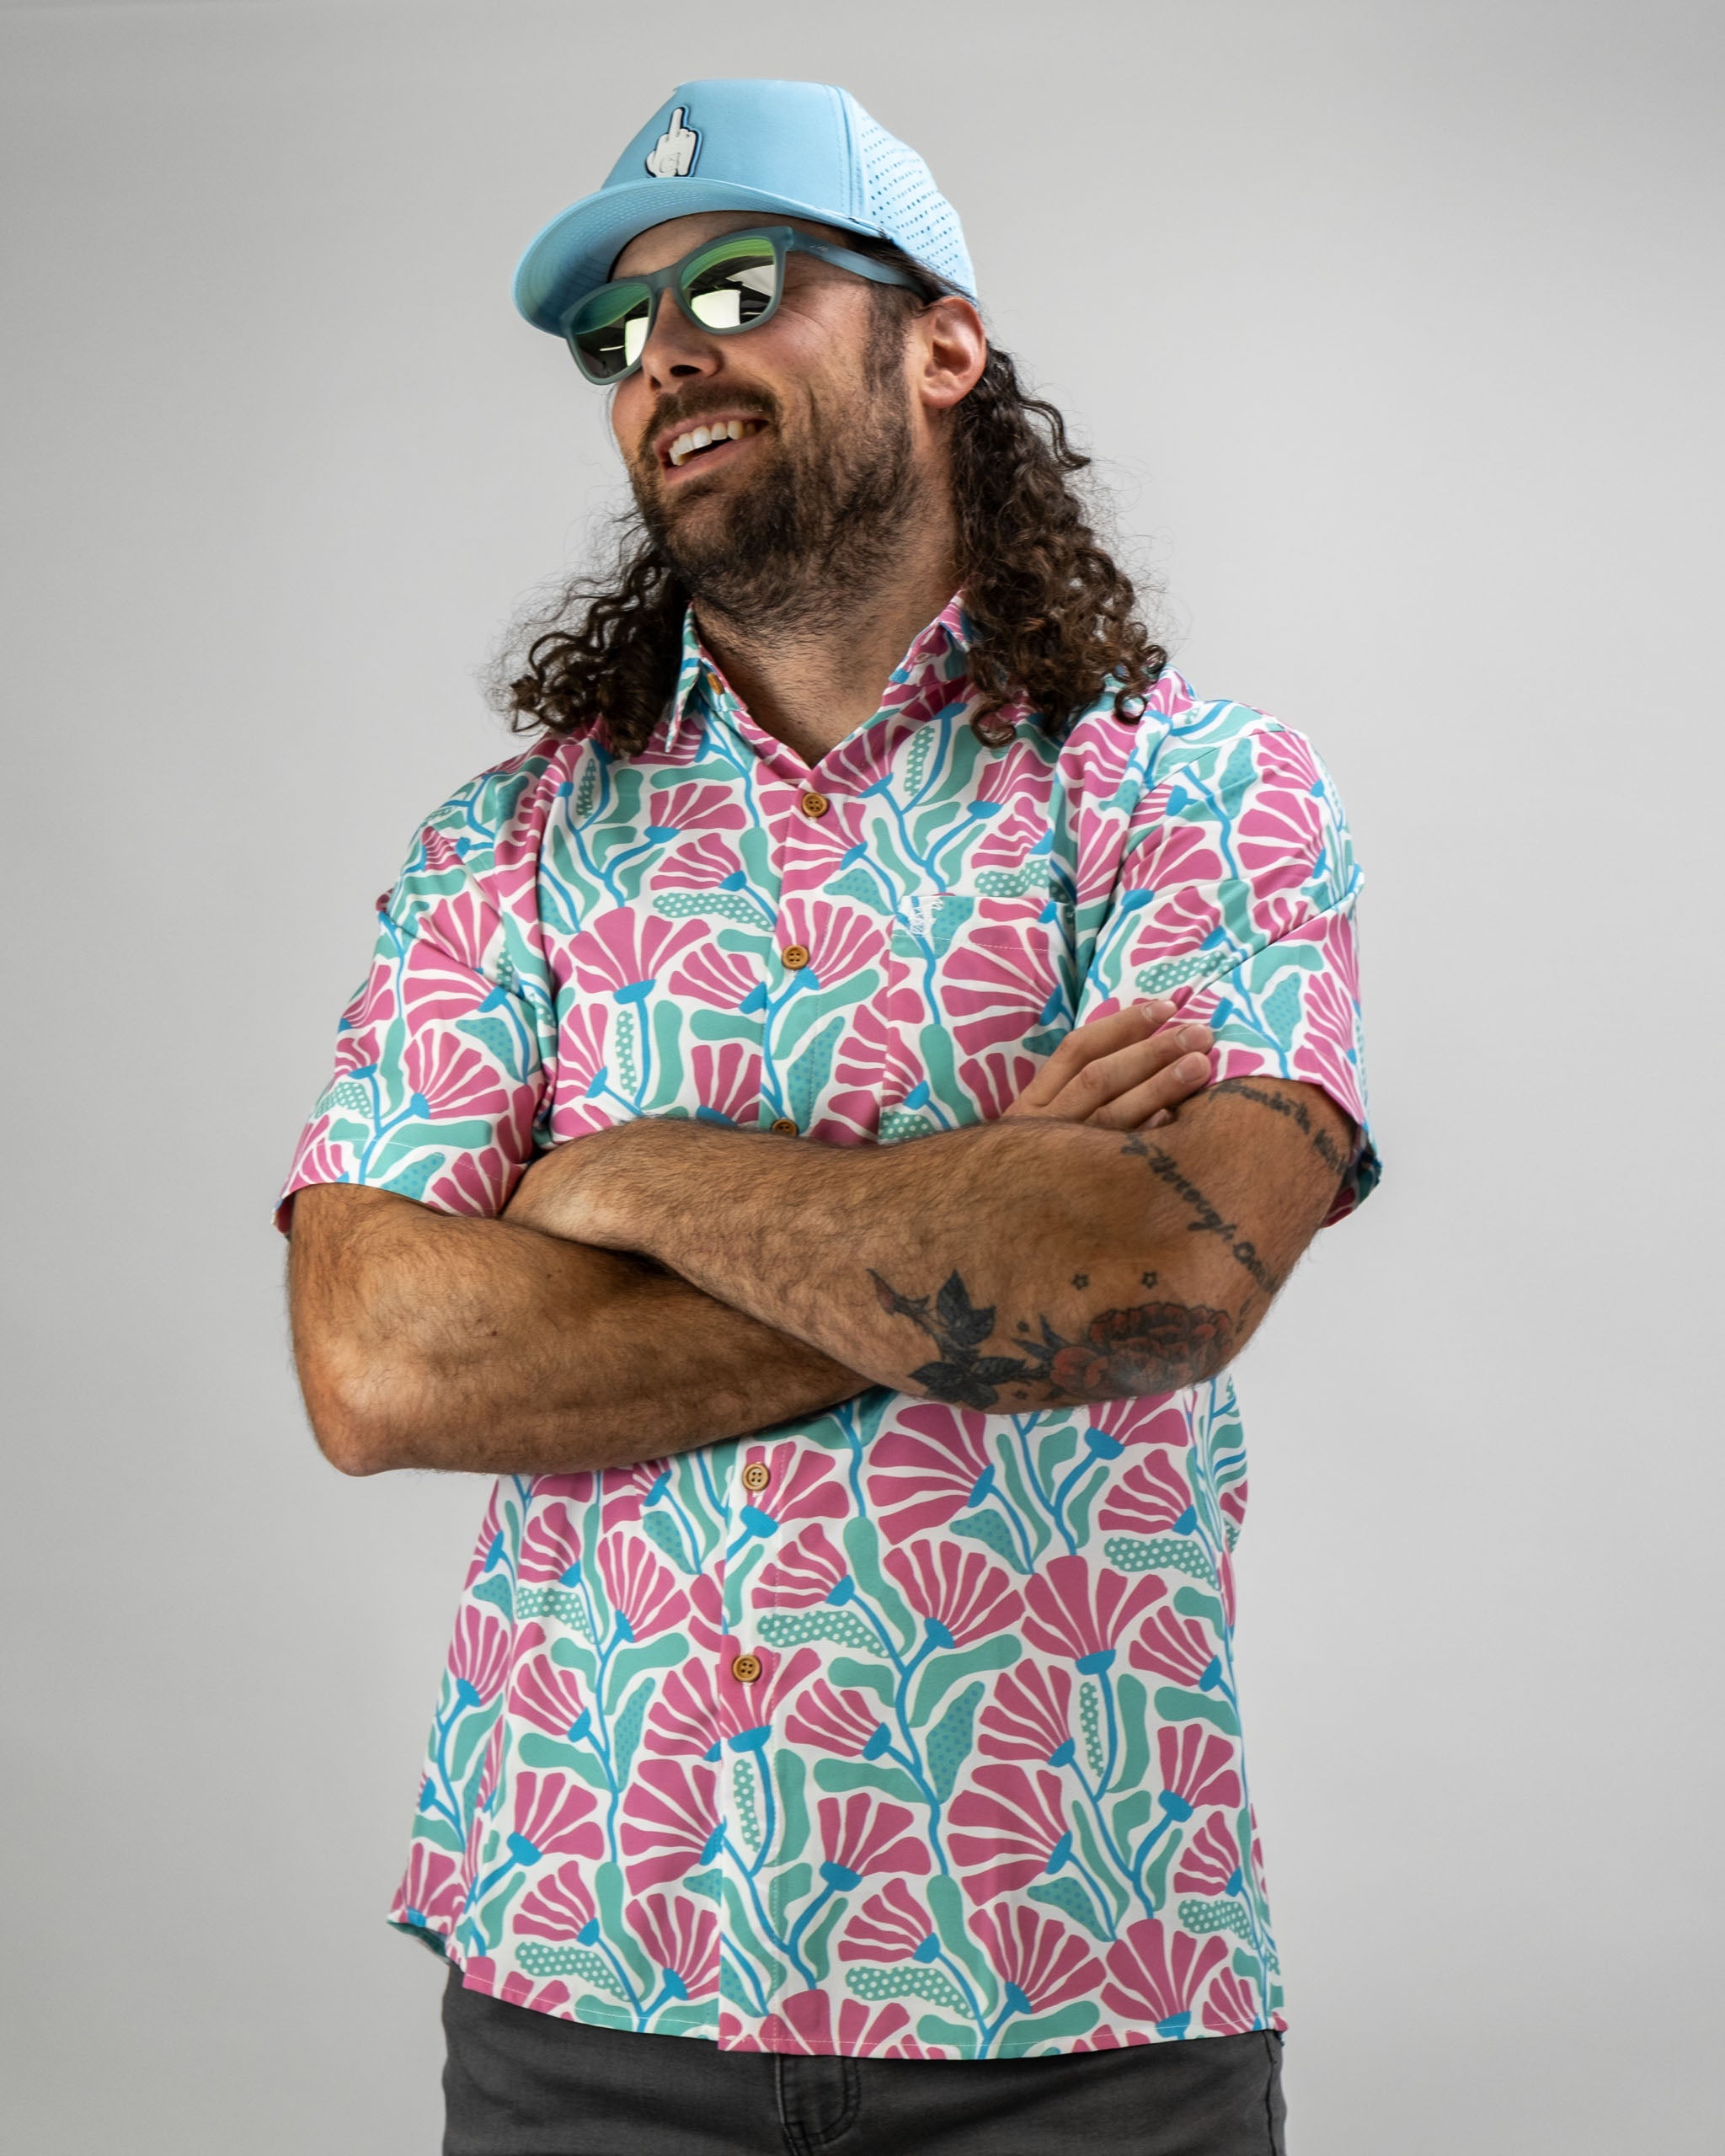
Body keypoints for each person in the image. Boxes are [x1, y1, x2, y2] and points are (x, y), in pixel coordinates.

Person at [281, 77, 1379, 2156]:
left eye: (735, 285)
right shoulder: (508, 848)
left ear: (941, 342)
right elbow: (375, 1359)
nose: (664, 356)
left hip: (1080, 1980)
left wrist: (627, 1182)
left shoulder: (1198, 795)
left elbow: (1147, 1288)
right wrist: (968, 1223)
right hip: (582, 1974)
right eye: (621, 336)